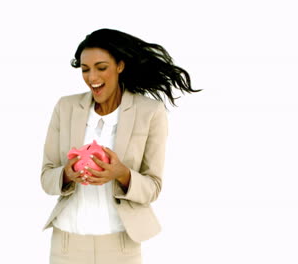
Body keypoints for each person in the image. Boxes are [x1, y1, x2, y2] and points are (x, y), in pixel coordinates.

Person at [41, 28, 200, 264]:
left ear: (120, 66)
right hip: (66, 243)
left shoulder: (150, 112)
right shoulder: (65, 108)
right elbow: (46, 178)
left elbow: (153, 187)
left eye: (101, 67)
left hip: (121, 246)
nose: (92, 77)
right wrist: (67, 174)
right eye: (85, 70)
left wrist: (122, 174)